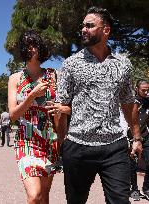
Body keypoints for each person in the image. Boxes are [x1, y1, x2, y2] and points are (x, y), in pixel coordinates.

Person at [56, 7, 142, 204]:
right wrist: (63, 141)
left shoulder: (123, 64)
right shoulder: (71, 64)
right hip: (78, 147)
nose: (83, 29)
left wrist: (136, 137)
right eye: (83, 26)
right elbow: (61, 106)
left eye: (90, 25)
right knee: (76, 201)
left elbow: (128, 102)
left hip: (114, 147)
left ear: (106, 30)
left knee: (120, 201)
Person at [8, 29, 70, 204]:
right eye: (26, 44)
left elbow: (63, 107)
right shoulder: (15, 78)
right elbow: (13, 115)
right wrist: (32, 95)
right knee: (34, 195)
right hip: (26, 140)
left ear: (40, 47)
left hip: (49, 140)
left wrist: (61, 136)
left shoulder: (53, 75)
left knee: (44, 195)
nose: (31, 48)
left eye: (34, 44)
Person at [128, 79, 149, 201]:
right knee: (133, 166)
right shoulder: (130, 101)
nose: (146, 92)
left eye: (148, 90)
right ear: (137, 89)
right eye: (144, 90)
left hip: (145, 136)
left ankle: (146, 188)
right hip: (131, 138)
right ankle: (134, 189)